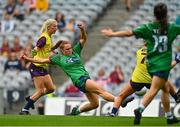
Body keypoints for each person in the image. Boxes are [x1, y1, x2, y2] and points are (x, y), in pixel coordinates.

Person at [101, 2, 180, 125]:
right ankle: (143, 109)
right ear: (166, 14)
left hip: (145, 72)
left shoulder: (147, 30)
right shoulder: (172, 28)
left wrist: (112, 34)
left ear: (154, 15)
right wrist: (177, 59)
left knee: (164, 87)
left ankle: (169, 114)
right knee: (160, 88)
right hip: (160, 66)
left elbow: (128, 33)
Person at [21, 22, 115, 115]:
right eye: (67, 49)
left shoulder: (75, 51)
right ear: (62, 50)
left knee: (95, 104)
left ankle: (76, 112)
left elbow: (83, 39)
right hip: (80, 80)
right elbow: (42, 61)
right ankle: (118, 100)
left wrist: (82, 30)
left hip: (86, 78)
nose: (70, 50)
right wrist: (28, 59)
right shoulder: (59, 58)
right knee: (101, 91)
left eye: (70, 48)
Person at [107, 45, 180, 124]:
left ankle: (113, 113)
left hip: (138, 79)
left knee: (121, 95)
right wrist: (176, 60)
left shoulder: (139, 51)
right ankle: (176, 97)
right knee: (166, 83)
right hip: (151, 80)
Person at [19, 19, 58, 115]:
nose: (56, 28)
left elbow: (48, 48)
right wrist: (30, 57)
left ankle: (32, 98)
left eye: (56, 26)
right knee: (40, 91)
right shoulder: (44, 37)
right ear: (48, 27)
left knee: (51, 89)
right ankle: (25, 110)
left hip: (42, 67)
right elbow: (36, 49)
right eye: (54, 26)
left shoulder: (49, 37)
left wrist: (54, 52)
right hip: (36, 66)